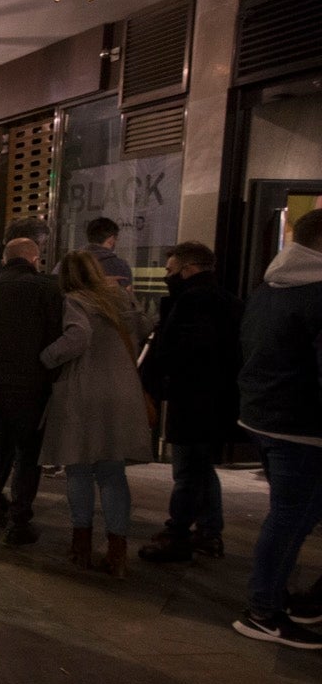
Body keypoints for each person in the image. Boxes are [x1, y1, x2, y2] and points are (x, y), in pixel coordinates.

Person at [231, 208, 322, 649]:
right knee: (291, 519)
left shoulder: (268, 287)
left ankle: (277, 600)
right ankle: (263, 611)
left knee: (291, 515)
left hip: (264, 416)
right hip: (302, 425)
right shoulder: (317, 294)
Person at [39, 250, 153, 577]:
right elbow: (146, 327)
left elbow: (78, 337)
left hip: (83, 391)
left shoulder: (73, 301)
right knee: (112, 472)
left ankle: (81, 545)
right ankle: (117, 552)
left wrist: (46, 357)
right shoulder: (120, 298)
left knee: (78, 469)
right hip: (122, 391)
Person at [137, 241, 242, 563]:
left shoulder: (191, 302)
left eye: (171, 270)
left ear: (188, 269)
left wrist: (159, 376)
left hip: (192, 400)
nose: (167, 276)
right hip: (217, 400)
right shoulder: (230, 301)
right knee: (202, 469)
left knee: (186, 472)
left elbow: (180, 352)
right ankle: (208, 531)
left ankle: (178, 534)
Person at [0, 237, 64, 557]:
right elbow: (56, 336)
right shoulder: (49, 289)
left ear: (5, 260)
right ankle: (19, 522)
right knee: (27, 455)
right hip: (30, 386)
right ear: (35, 260)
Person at [82, 216, 134, 289]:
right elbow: (126, 293)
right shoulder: (119, 266)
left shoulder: (69, 262)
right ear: (111, 240)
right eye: (116, 238)